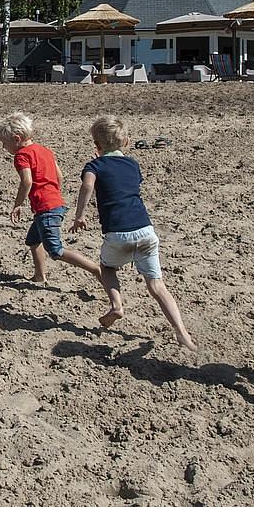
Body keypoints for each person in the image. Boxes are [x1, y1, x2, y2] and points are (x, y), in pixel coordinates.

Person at [70, 116, 195, 348]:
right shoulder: (133, 164)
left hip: (118, 232)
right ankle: (182, 332)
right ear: (126, 142)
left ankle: (117, 305)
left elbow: (87, 185)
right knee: (157, 286)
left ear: (96, 145)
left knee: (107, 268)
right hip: (145, 230)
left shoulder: (93, 166)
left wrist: (80, 215)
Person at [0, 112, 115, 294]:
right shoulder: (45, 150)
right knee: (33, 241)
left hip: (46, 208)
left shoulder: (21, 156)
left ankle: (95, 269)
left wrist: (17, 204)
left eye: (5, 143)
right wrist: (52, 193)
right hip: (55, 203)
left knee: (56, 250)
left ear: (17, 139)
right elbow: (59, 176)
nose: (4, 147)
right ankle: (39, 276)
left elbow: (26, 181)